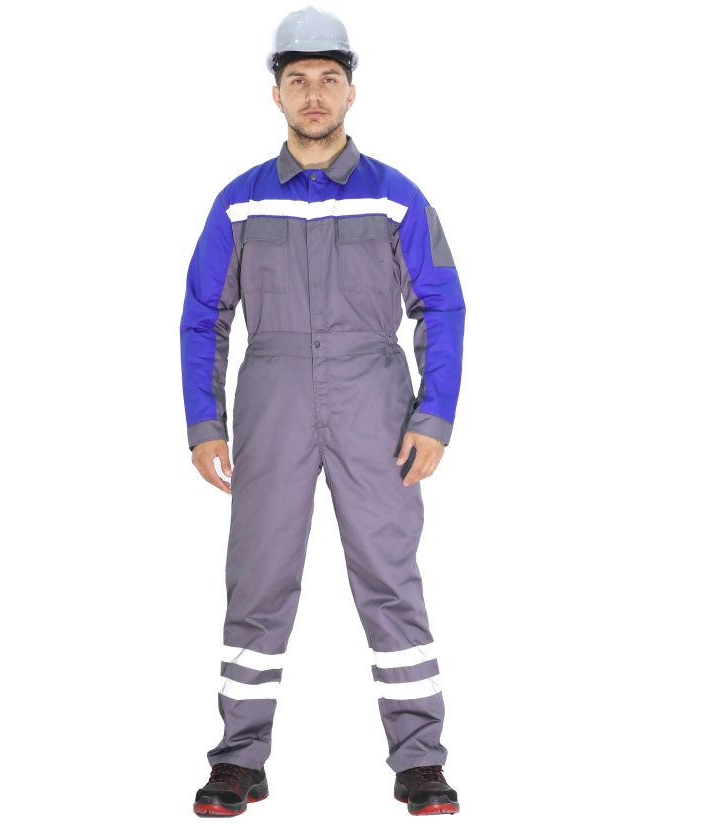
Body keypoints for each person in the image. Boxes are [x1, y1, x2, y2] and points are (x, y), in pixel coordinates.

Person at [181, 6, 466, 818]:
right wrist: (205, 423)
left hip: (373, 398)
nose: (314, 94)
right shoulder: (239, 203)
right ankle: (239, 759)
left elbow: (443, 307)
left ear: (351, 91)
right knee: (259, 580)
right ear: (275, 94)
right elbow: (204, 317)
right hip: (271, 397)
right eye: (298, 79)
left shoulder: (397, 197)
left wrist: (433, 416)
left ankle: (420, 759)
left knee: (389, 578)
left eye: (329, 79)